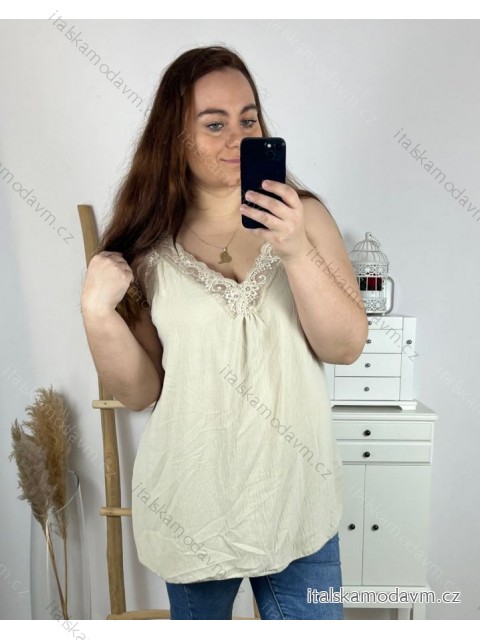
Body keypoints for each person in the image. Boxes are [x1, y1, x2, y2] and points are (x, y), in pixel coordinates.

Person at [80, 44, 368, 620]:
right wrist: (96, 313)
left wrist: (295, 250)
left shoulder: (305, 217)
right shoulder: (147, 245)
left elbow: (345, 346)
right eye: (214, 124)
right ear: (175, 138)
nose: (237, 137)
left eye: (248, 119)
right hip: (193, 506)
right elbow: (140, 392)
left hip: (296, 498)